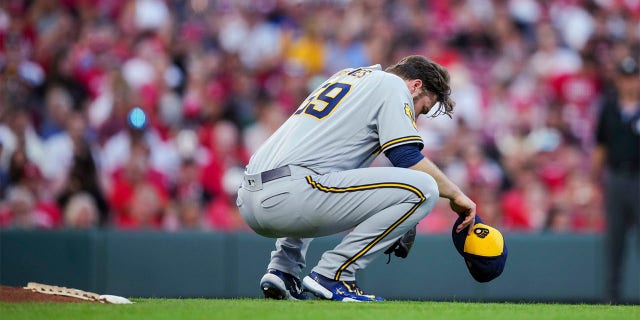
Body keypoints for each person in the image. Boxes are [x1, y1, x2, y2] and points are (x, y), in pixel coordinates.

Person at [236, 55, 477, 302]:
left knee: (324, 173)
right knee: (425, 188)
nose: (416, 118)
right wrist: (457, 194)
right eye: (423, 108)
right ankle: (333, 275)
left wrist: (395, 215)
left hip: (250, 196)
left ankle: (283, 270)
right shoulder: (393, 85)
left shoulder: (348, 76)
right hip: (291, 195)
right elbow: (404, 156)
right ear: (415, 86)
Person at [592, 56, 640, 304]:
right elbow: (600, 146)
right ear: (618, 80)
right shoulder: (609, 107)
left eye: (633, 77)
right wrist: (595, 179)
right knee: (615, 241)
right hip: (616, 178)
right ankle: (612, 298)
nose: (629, 83)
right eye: (624, 78)